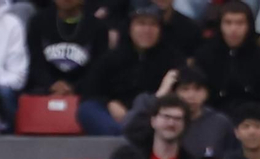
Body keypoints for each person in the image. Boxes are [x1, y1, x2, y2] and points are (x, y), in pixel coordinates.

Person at [77, 5, 183, 137]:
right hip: (113, 119)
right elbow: (89, 93)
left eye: (153, 25)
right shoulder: (110, 58)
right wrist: (109, 103)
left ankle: (127, 137)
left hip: (152, 117)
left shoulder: (173, 60)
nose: (147, 30)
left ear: (160, 30)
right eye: (141, 24)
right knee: (87, 109)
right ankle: (125, 137)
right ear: (129, 28)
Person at [193, 0, 260, 112]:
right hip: (213, 115)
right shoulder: (204, 55)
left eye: (240, 23)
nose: (233, 29)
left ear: (249, 26)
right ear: (220, 25)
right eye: (228, 23)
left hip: (254, 117)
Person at [26, 0, 104, 98]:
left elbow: (97, 69)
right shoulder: (37, 22)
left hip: (84, 94)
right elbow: (35, 63)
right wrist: (52, 85)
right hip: (44, 90)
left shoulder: (98, 28)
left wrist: (74, 88)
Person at [175, 64, 237, 159]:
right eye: (185, 89)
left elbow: (232, 155)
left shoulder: (221, 123)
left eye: (197, 89)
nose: (191, 95)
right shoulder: (167, 121)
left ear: (207, 93)